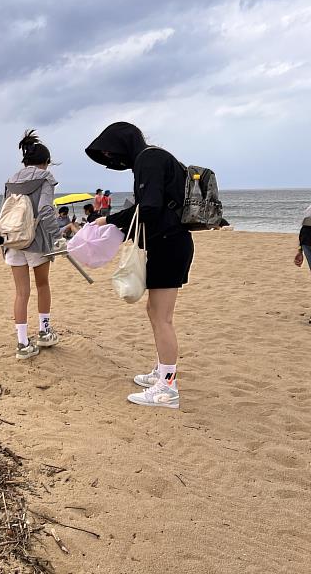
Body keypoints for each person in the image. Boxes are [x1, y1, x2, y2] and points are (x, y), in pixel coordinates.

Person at [86, 121, 192, 409]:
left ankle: (167, 387)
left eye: (110, 153)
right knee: (155, 311)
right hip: (170, 242)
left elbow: (149, 207)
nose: (110, 160)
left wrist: (108, 220)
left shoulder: (149, 159)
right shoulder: (156, 158)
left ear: (122, 144)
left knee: (162, 317)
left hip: (169, 244)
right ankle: (161, 371)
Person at [3, 130, 60, 359]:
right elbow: (46, 210)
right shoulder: (45, 178)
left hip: (13, 240)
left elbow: (8, 212)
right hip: (36, 241)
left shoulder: (11, 180)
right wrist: (56, 236)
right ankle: (45, 332)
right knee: (43, 285)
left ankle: (23, 343)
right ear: (46, 162)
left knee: (21, 293)